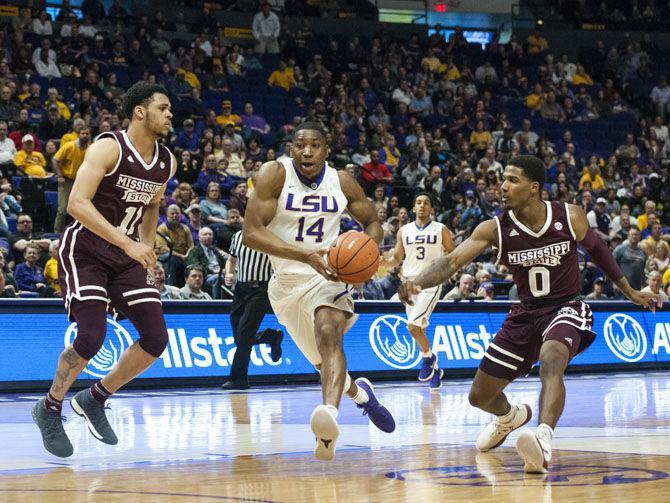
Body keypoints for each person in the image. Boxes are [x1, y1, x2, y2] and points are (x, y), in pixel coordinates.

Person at [398, 155, 660, 473]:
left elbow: (599, 251)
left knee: (551, 360)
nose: (503, 186)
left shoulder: (569, 215)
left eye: (512, 180)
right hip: (524, 314)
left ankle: (543, 438)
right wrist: (416, 282)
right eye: (502, 180)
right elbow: (452, 261)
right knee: (479, 397)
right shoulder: (494, 228)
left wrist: (630, 291)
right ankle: (510, 417)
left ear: (533, 188)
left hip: (566, 307)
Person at [32, 82, 176, 458]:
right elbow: (77, 204)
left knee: (156, 338)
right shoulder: (108, 146)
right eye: (163, 108)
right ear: (140, 112)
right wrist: (127, 242)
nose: (170, 114)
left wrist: (145, 245)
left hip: (126, 255)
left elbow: (151, 206)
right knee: (92, 336)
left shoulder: (166, 160)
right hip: (86, 250)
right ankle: (49, 406)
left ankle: (95, 397)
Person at [244, 121, 396, 461]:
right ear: (291, 149)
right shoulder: (275, 175)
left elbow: (373, 223)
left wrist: (363, 253)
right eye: (300, 145)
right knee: (321, 362)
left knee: (329, 332)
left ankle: (329, 416)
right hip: (285, 282)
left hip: (329, 273)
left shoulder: (341, 181)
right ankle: (362, 396)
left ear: (326, 150)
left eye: (315, 145)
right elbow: (252, 232)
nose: (307, 151)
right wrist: (304, 256)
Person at [382, 192, 455, 389]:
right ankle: (435, 367)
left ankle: (427, 359)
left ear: (432, 209)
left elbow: (453, 253)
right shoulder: (404, 230)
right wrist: (385, 262)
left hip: (430, 283)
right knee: (419, 329)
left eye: (426, 203)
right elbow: (397, 258)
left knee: (412, 327)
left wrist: (446, 270)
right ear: (414, 208)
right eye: (418, 203)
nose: (422, 206)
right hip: (408, 284)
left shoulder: (441, 229)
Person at [222, 229, 282, 390]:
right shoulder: (237, 235)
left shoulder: (271, 235)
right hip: (240, 289)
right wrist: (229, 273)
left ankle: (238, 378)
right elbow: (231, 260)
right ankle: (270, 336)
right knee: (239, 337)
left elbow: (279, 263)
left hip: (261, 289)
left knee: (245, 333)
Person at [52, 127, 91, 233]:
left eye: (87, 134)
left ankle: (77, 233)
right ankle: (56, 233)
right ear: (78, 134)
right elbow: (55, 160)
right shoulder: (70, 145)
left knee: (80, 210)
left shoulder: (91, 149)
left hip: (81, 182)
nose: (85, 136)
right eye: (83, 133)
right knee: (63, 209)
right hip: (66, 180)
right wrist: (59, 176)